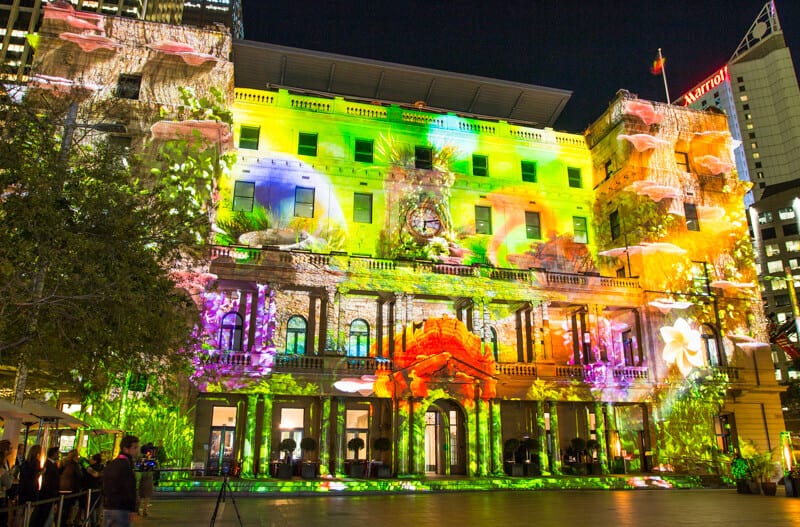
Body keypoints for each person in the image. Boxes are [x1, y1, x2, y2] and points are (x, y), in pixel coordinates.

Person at [102, 435, 139, 527]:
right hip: (121, 509)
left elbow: (103, 484)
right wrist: (132, 508)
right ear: (126, 449)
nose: (137, 450)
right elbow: (129, 488)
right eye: (135, 447)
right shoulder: (126, 466)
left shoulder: (111, 464)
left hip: (108, 507)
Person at [31, 447, 60, 527]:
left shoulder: (51, 465)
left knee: (48, 515)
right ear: (54, 454)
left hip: (49, 494)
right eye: (58, 453)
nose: (59, 455)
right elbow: (51, 481)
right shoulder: (49, 465)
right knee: (46, 515)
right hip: (48, 494)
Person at [58, 449, 84, 527]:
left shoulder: (64, 463)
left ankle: (60, 522)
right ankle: (65, 522)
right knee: (68, 508)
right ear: (75, 456)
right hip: (71, 489)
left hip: (62, 488)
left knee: (62, 507)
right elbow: (80, 476)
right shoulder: (74, 465)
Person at [84, 454, 104, 527]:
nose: (90, 460)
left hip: (91, 490)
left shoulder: (90, 468)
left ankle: (93, 523)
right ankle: (96, 522)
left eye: (91, 459)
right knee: (96, 507)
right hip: (98, 490)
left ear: (95, 460)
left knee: (91, 507)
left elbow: (90, 477)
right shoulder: (102, 468)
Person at [137, 445, 156, 518]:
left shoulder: (139, 458)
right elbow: (154, 465)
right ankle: (145, 510)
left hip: (140, 476)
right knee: (147, 495)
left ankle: (138, 509)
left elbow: (138, 465)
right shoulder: (149, 458)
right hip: (148, 477)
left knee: (141, 494)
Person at [0, 440, 13, 527]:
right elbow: (8, 484)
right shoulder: (1, 467)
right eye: (10, 448)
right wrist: (10, 476)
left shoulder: (6, 462)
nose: (12, 449)